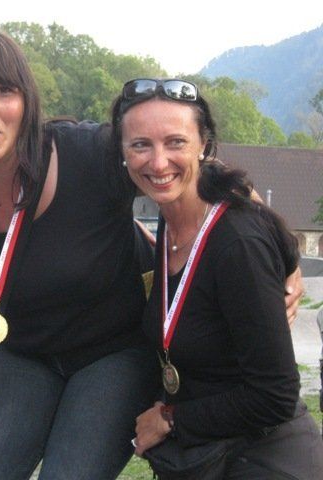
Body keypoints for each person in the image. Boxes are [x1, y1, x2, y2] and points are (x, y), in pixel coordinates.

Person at [0, 28, 301, 479]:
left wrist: (286, 260)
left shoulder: (87, 153)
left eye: (3, 90)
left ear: (27, 102)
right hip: (24, 354)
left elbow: (201, 172)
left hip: (114, 351)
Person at [110, 78, 323, 477]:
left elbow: (275, 396)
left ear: (203, 145)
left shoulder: (237, 244)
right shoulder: (171, 217)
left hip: (267, 461)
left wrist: (170, 418)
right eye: (140, 145)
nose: (158, 163)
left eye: (175, 142)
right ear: (122, 152)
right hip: (212, 457)